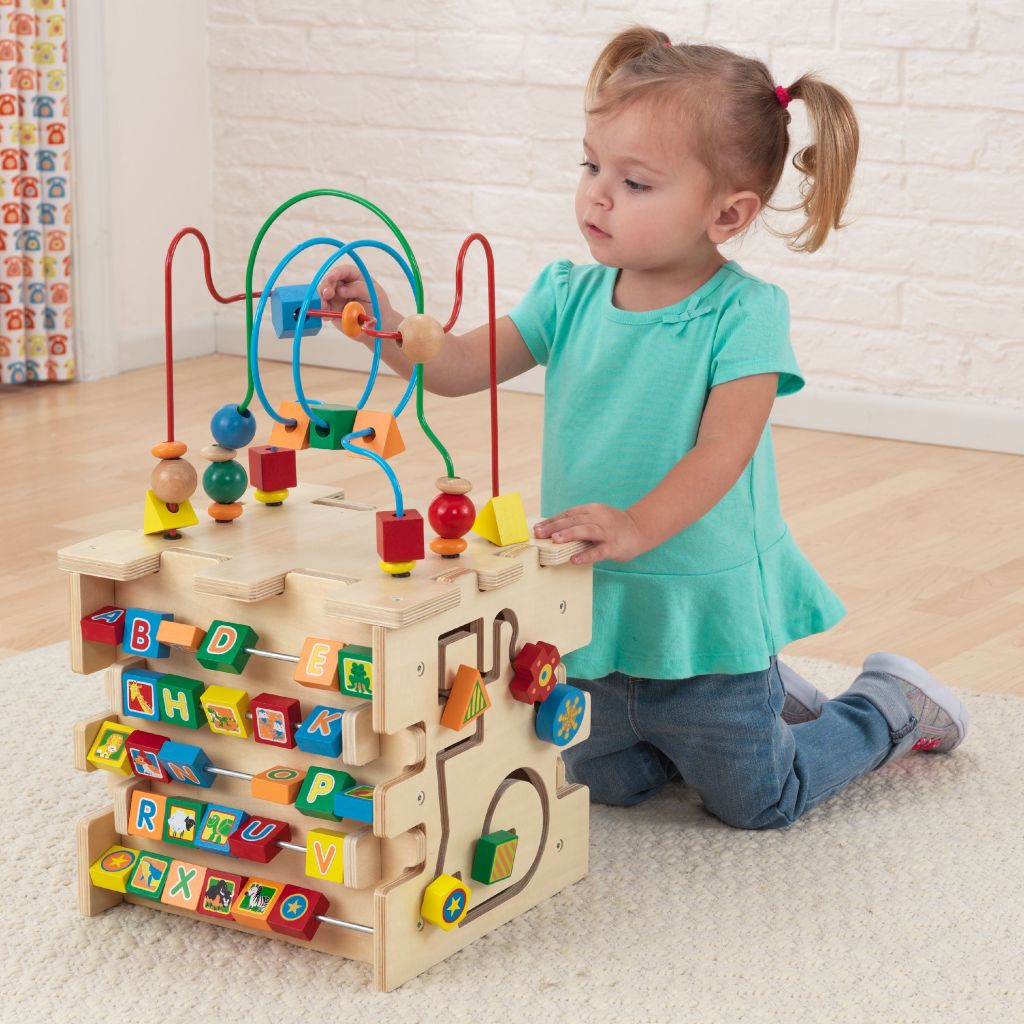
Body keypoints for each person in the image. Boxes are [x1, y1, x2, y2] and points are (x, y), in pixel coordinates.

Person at [319, 26, 968, 829]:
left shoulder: (744, 315)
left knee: (761, 802)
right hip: (591, 608)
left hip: (704, 614)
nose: (596, 194)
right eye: (591, 165)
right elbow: (454, 367)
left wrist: (636, 524)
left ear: (726, 213)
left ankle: (885, 707)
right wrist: (378, 322)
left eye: (634, 182)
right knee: (611, 785)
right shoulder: (568, 294)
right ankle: (765, 712)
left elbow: (723, 451)